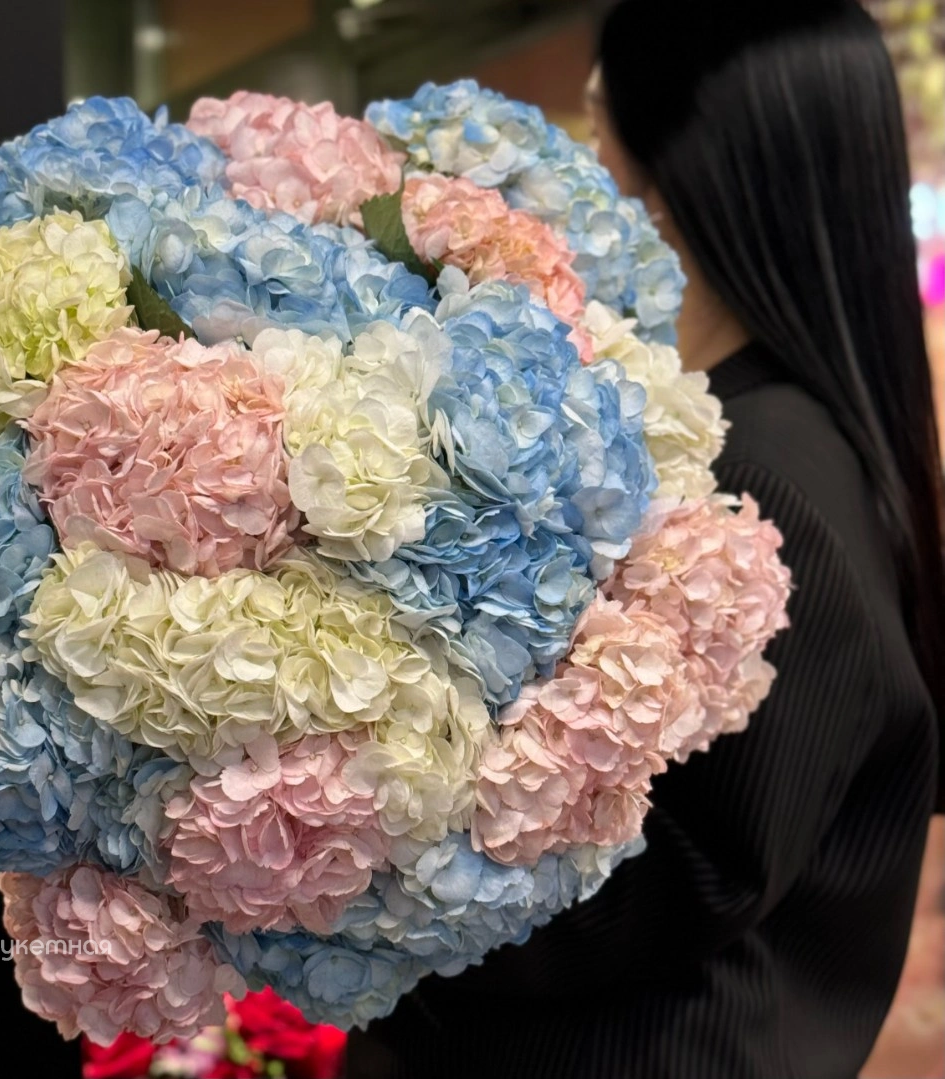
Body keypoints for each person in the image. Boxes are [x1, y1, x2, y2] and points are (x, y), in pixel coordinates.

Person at [346, 1, 944, 1075]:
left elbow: (678, 877)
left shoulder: (760, 485)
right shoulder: (759, 441)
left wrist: (331, 876)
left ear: (674, 172)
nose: (576, 171)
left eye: (593, 129)